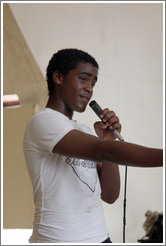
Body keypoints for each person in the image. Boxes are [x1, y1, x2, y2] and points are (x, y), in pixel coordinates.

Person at [23, 48, 162, 243]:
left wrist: (107, 139)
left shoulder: (86, 131)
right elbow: (103, 151)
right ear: (58, 77)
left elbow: (110, 194)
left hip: (100, 238)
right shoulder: (43, 122)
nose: (89, 88)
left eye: (93, 83)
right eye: (83, 79)